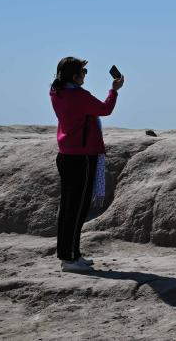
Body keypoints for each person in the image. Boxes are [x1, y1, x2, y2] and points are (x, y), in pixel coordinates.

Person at [49, 57, 124, 273]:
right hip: (82, 156)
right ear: (74, 76)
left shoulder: (57, 92)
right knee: (77, 209)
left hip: (67, 154)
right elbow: (105, 109)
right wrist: (114, 90)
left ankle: (72, 254)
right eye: (83, 72)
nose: (85, 75)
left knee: (69, 208)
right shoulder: (78, 96)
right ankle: (70, 259)